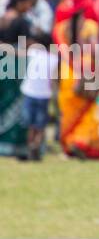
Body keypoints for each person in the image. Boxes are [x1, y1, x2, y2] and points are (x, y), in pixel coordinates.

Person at [51, 0, 99, 159]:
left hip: (68, 73)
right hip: (87, 70)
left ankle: (69, 145)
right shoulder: (90, 26)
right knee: (89, 111)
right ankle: (82, 142)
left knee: (68, 113)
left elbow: (61, 54)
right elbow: (95, 51)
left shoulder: (61, 28)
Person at [0, 0, 37, 157]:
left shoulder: (3, 18)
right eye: (28, 3)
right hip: (16, 66)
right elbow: (27, 46)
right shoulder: (22, 22)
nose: (29, 7)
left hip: (2, 64)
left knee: (3, 102)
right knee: (17, 103)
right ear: (21, 2)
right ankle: (14, 143)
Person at [20, 24, 56, 161]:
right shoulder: (53, 59)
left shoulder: (33, 53)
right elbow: (54, 79)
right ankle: (36, 147)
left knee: (31, 125)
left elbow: (19, 52)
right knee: (40, 125)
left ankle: (30, 147)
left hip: (30, 93)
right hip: (44, 95)